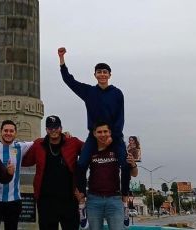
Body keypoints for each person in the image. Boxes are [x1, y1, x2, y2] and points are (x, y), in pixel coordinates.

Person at [58, 47, 130, 207]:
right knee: (81, 164)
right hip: (93, 136)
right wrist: (62, 60)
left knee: (125, 165)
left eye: (105, 72)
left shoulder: (117, 93)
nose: (102, 74)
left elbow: (120, 117)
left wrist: (113, 135)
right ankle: (82, 199)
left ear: (110, 75)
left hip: (115, 136)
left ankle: (125, 199)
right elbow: (69, 81)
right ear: (95, 75)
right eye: (99, 72)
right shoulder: (89, 92)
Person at [22, 115, 84, 230]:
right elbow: (24, 160)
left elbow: (89, 152)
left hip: (68, 200)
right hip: (46, 201)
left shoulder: (73, 142)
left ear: (61, 128)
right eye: (50, 128)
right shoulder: (38, 144)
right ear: (46, 129)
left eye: (56, 127)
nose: (53, 130)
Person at [75, 121, 133, 230]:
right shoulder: (89, 150)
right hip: (94, 200)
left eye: (105, 131)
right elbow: (80, 168)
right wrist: (81, 194)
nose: (102, 134)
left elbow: (128, 170)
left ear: (110, 132)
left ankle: (125, 207)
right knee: (80, 165)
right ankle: (81, 208)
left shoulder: (117, 148)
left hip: (114, 199)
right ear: (94, 133)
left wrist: (125, 193)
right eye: (99, 132)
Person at [0, 120, 33, 230]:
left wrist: (64, 135)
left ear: (15, 133)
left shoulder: (21, 147)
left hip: (13, 199)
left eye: (11, 131)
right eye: (5, 130)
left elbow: (39, 142)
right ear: (1, 132)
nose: (8, 133)